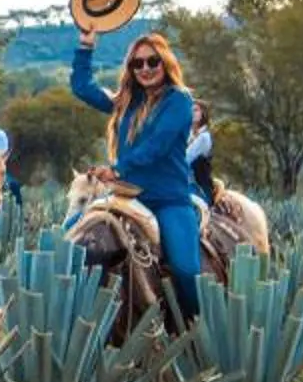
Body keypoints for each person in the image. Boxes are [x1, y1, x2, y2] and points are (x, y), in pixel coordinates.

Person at [67, 29, 203, 323]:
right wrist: (86, 45)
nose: (145, 69)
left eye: (152, 61)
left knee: (185, 268)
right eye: (136, 64)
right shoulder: (128, 100)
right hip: (124, 196)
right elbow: (82, 87)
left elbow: (159, 144)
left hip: (167, 200)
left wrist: (117, 168)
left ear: (165, 62)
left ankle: (196, 333)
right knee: (68, 235)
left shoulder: (179, 100)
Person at [187, 99, 217, 203]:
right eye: (190, 110)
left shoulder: (204, 137)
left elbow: (186, 158)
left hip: (196, 184)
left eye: (196, 110)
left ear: (203, 113)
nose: (192, 113)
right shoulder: (189, 134)